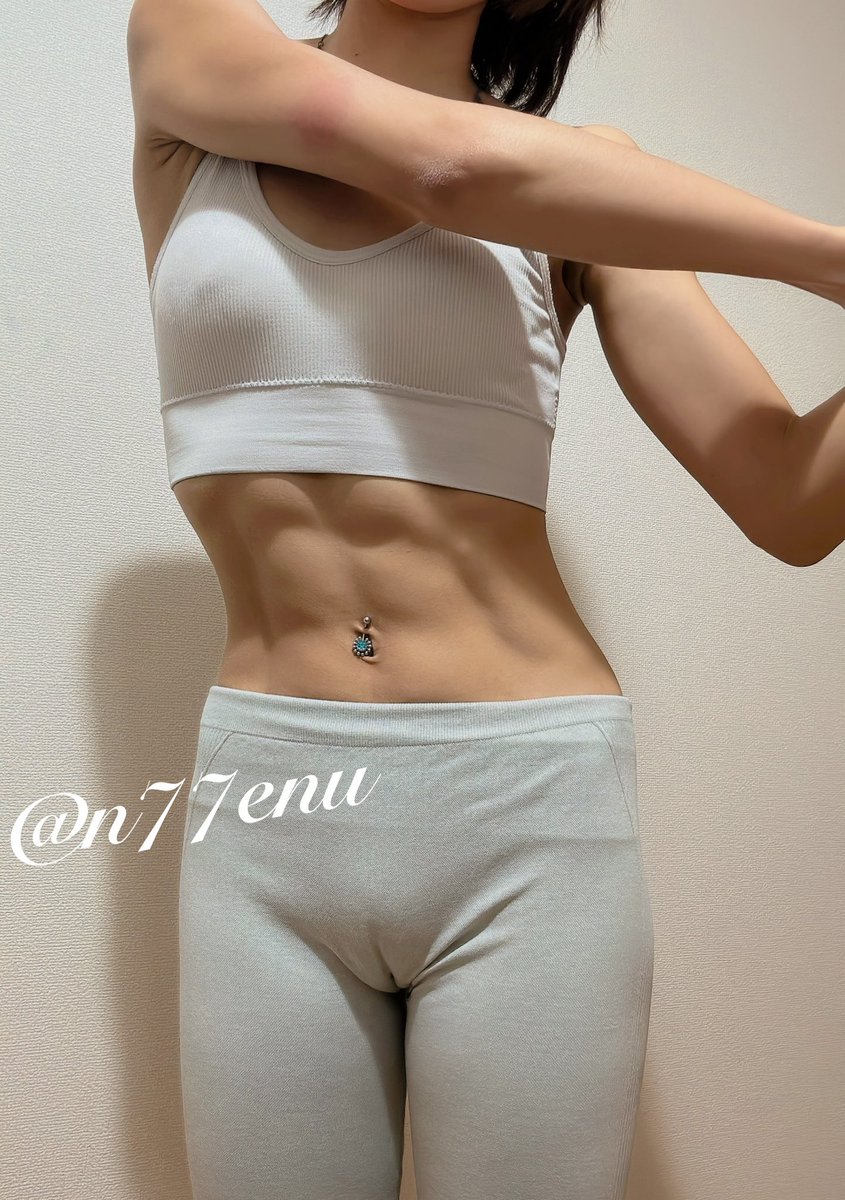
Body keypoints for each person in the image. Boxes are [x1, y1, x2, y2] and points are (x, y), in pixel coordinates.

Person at [126, 0, 845, 1197]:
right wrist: (826, 254)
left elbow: (785, 498)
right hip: (269, 805)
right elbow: (444, 165)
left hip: (524, 812)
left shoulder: (597, 189)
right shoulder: (190, 48)